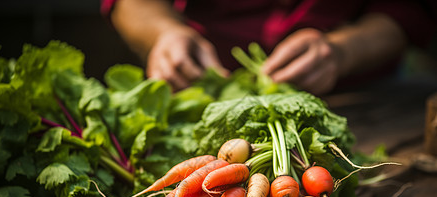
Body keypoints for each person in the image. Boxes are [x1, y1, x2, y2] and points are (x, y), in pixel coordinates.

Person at [101, 0, 435, 95]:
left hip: (361, 94)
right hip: (202, 88)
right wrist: (165, 33)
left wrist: (343, 50)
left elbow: (411, 11)